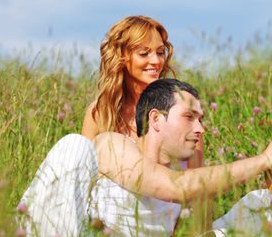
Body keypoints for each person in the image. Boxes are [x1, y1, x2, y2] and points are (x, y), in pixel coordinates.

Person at [20, 79, 272, 237]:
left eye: (201, 120)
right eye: (190, 117)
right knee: (74, 145)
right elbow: (172, 187)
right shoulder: (112, 146)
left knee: (251, 215)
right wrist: (263, 159)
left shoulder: (183, 173)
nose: (200, 128)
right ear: (156, 120)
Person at [81, 15, 202, 167]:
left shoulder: (183, 108)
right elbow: (85, 173)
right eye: (144, 54)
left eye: (159, 52)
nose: (156, 61)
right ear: (121, 58)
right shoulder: (100, 113)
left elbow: (196, 178)